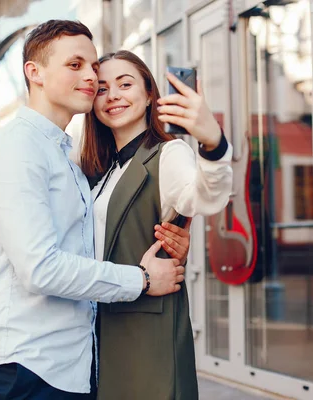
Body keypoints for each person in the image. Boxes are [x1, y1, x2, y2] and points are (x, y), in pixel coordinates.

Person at [0, 20, 189, 400]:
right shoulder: (17, 151)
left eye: (92, 66)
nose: (90, 76)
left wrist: (171, 241)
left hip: (69, 366)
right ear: (33, 73)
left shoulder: (65, 156)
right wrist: (142, 279)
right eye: (75, 65)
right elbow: (41, 268)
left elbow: (83, 247)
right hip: (27, 368)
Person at [79, 50, 233, 400]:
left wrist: (213, 143)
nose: (113, 95)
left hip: (145, 328)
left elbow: (205, 197)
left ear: (150, 94)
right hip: (101, 326)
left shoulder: (169, 153)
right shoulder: (98, 169)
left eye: (125, 84)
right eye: (101, 89)